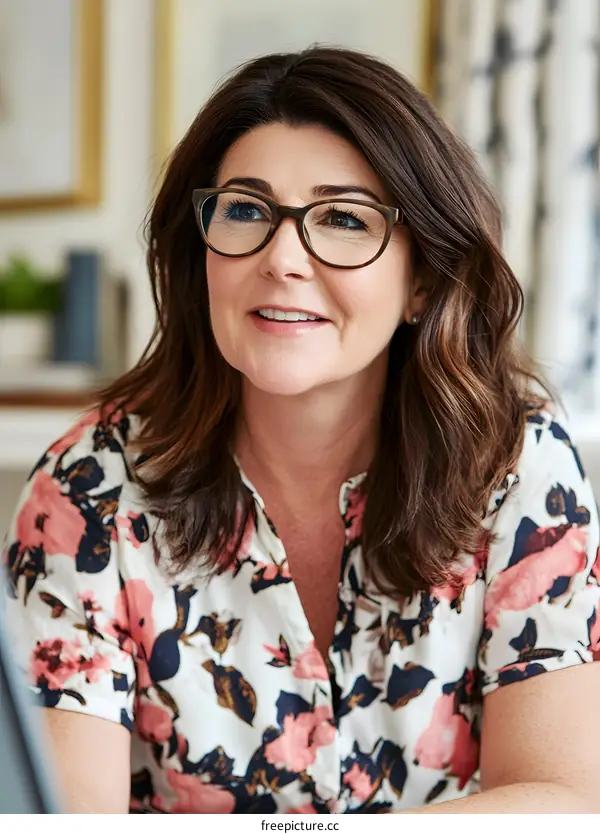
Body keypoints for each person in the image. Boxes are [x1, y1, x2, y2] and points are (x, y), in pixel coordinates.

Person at [2, 46, 600, 815]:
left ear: (423, 280)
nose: (283, 259)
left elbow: (565, 798)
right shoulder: (89, 486)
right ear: (202, 254)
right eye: (245, 209)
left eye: (344, 219)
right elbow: (66, 822)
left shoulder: (515, 463)